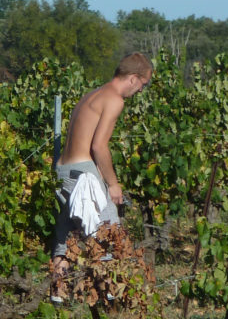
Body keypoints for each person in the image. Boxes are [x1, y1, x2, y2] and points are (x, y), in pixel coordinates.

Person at [50, 53, 152, 292]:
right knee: (108, 232)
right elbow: (99, 146)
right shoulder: (114, 100)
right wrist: (113, 184)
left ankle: (57, 294)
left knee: (67, 236)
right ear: (133, 79)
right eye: (143, 85)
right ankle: (109, 295)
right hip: (83, 173)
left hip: (63, 170)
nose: (140, 91)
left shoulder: (91, 95)